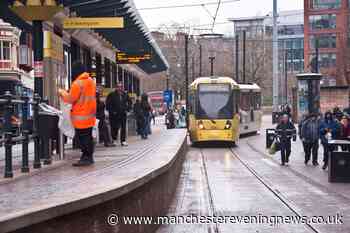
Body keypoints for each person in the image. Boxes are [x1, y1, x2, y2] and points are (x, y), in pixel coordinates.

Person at [59, 61, 96, 166]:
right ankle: (88, 157)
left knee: (82, 138)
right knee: (88, 137)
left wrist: (62, 92)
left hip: (81, 117)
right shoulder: (90, 81)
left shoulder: (77, 83)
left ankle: (86, 158)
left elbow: (70, 99)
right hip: (90, 115)